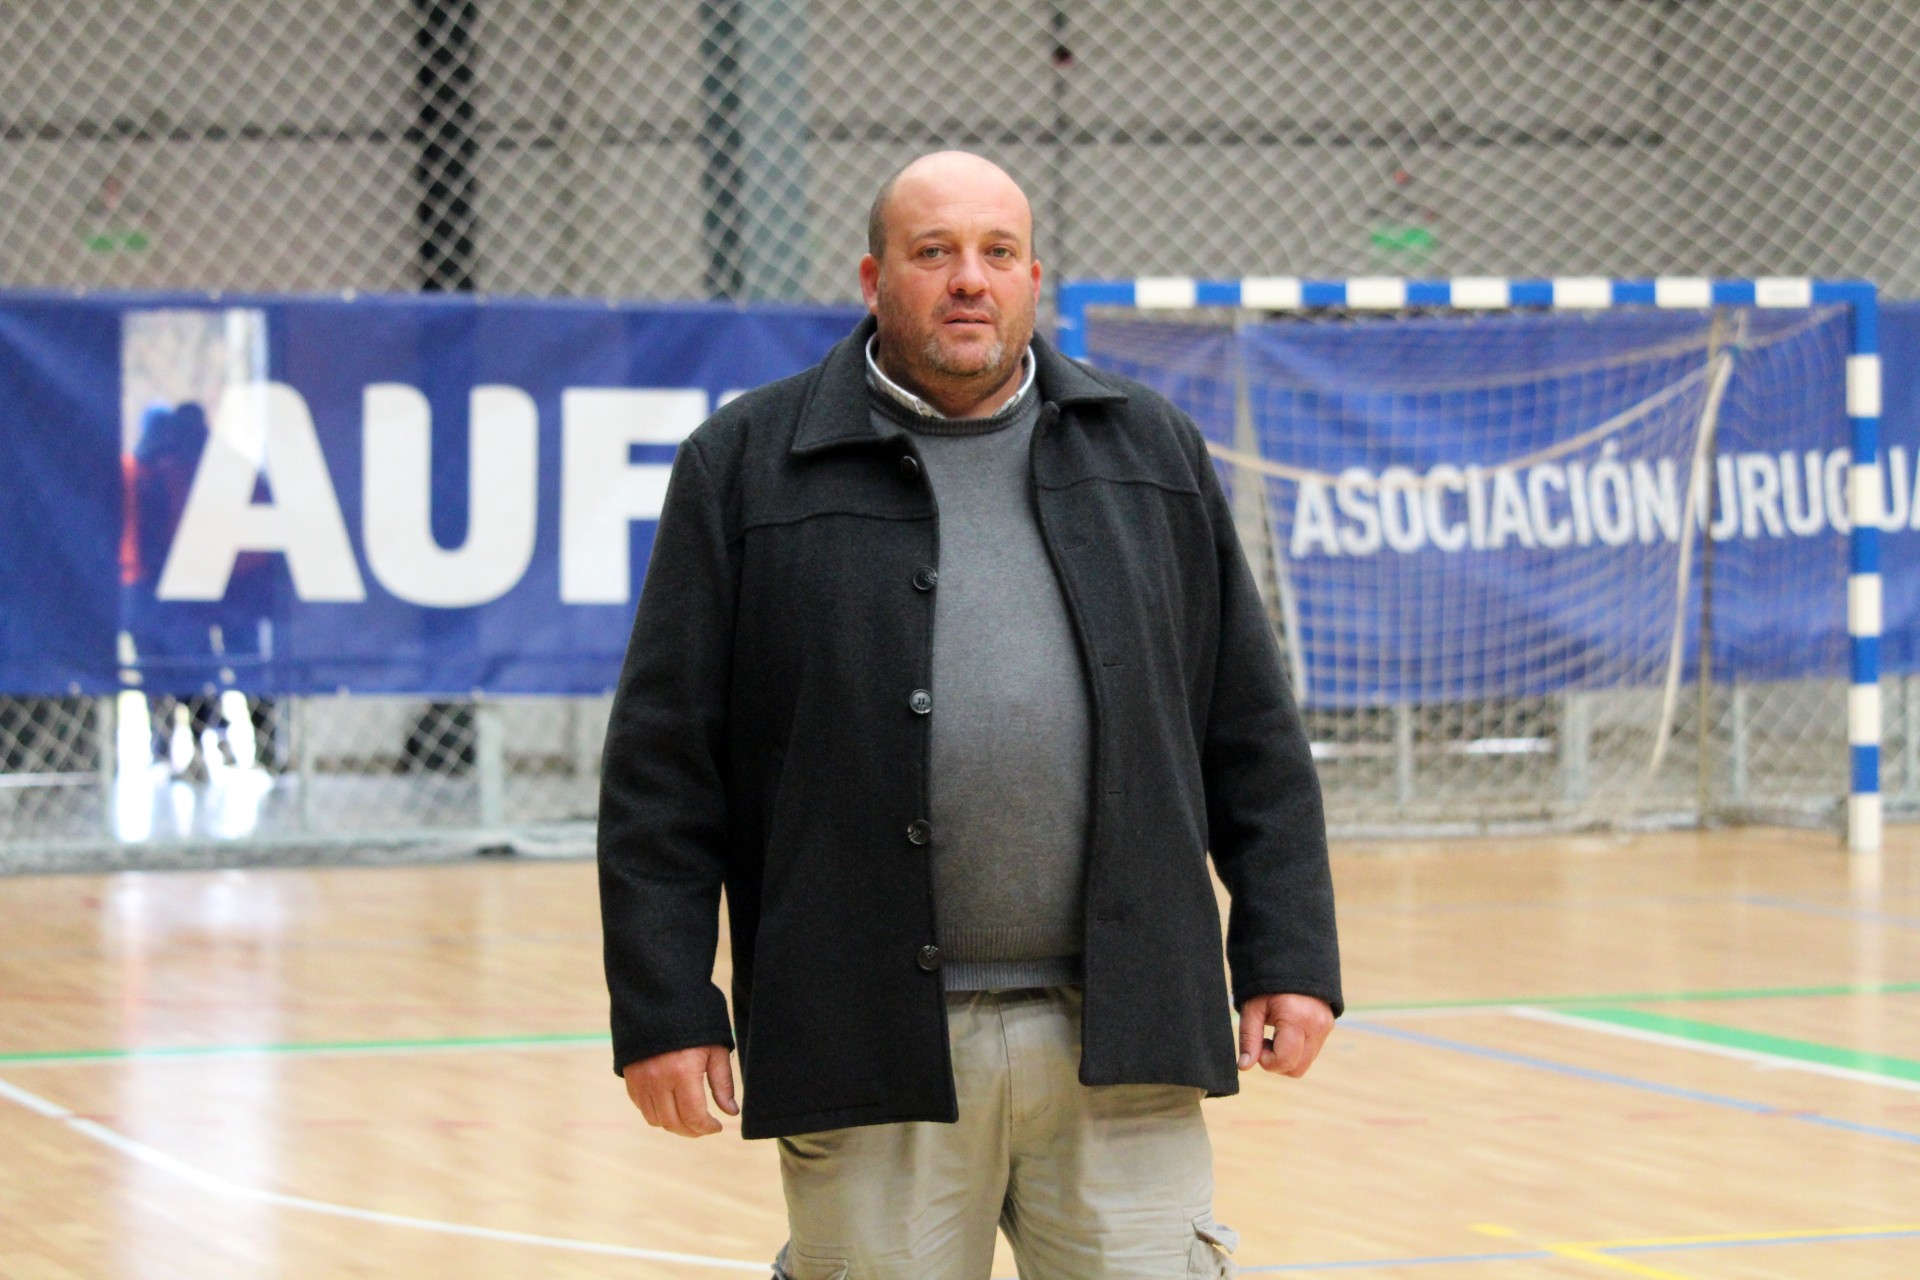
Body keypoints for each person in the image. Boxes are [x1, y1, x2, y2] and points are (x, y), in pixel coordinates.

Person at [598, 151, 1341, 1280]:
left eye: (997, 253)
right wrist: (663, 1004)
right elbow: (663, 766)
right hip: (869, 1032)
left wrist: (1288, 946)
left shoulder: (1151, 451)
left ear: (1035, 277)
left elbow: (1249, 729)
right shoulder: (746, 466)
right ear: (872, 276)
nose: (968, 280)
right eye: (934, 252)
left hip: (1124, 1028)